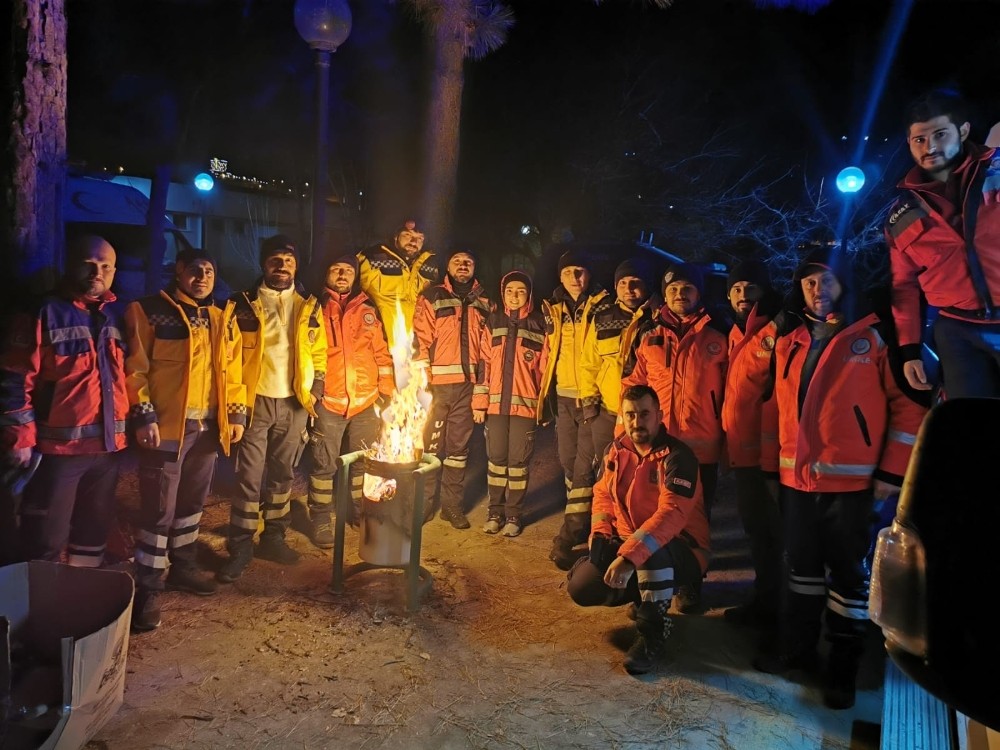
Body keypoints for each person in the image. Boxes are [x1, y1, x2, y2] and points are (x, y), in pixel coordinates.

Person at [754, 248, 927, 710]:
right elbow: (774, 409)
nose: (818, 289)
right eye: (809, 281)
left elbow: (909, 409)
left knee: (848, 580)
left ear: (844, 283)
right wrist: (772, 468)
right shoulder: (790, 337)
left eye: (826, 280)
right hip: (797, 484)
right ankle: (799, 652)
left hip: (853, 487)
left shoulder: (874, 335)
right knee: (802, 572)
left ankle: (842, 668)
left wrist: (890, 474)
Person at [123, 248, 246, 631]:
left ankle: (183, 566)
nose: (202, 276)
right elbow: (135, 369)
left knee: (192, 504)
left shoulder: (222, 316)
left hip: (208, 427)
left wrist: (235, 415)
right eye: (195, 269)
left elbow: (234, 369)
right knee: (158, 509)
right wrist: (144, 415)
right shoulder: (148, 311)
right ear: (178, 272)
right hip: (166, 429)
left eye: (209, 270)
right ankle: (148, 589)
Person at [0, 234, 129, 566]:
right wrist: (19, 438)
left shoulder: (117, 315)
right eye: (89, 264)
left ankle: (81, 591)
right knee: (45, 537)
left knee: (93, 534)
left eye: (105, 266)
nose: (97, 273)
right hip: (58, 453)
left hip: (107, 451)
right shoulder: (43, 311)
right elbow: (15, 377)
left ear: (114, 272)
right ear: (70, 265)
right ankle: (40, 596)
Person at [566, 385, 709, 676]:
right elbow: (602, 495)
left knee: (651, 550)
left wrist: (629, 556)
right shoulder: (616, 450)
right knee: (582, 586)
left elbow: (670, 516)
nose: (636, 421)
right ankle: (644, 599)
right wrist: (600, 535)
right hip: (632, 542)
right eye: (630, 414)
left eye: (644, 414)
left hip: (683, 548)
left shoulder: (678, 457)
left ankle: (652, 632)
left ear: (659, 416)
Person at [217, 235, 326, 583]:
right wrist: (235, 408)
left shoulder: (310, 305)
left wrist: (315, 391)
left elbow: (319, 352)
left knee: (283, 475)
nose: (282, 266)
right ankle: (240, 546)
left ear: (296, 266)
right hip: (255, 402)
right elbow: (229, 359)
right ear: (264, 264)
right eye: (275, 260)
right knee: (248, 477)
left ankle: (273, 538)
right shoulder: (241, 304)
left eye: (289, 261)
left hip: (294, 403)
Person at [621, 262, 727, 612]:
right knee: (652, 515)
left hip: (701, 447)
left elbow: (732, 392)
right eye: (673, 289)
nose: (680, 294)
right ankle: (649, 588)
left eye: (687, 288)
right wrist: (625, 434)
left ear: (699, 293)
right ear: (664, 295)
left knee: (694, 521)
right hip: (657, 447)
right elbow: (632, 387)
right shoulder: (649, 334)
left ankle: (689, 585)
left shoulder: (718, 334)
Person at [886, 88, 1000, 398]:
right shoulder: (903, 213)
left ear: (962, 131)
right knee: (968, 420)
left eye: (940, 134)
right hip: (956, 332)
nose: (930, 147)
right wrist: (910, 350)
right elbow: (903, 286)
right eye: (919, 139)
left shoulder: (997, 172)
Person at [306, 254, 393, 547]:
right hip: (328, 402)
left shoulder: (368, 308)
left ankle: (359, 512)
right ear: (326, 273)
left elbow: (381, 352)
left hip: (365, 402)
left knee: (362, 464)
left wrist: (387, 392)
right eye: (336, 269)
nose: (342, 275)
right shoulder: (314, 306)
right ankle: (321, 520)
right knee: (324, 466)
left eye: (348, 271)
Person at [719, 258, 784, 633]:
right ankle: (764, 601)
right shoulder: (736, 332)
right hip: (744, 454)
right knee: (757, 533)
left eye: (750, 288)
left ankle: (777, 612)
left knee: (775, 534)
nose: (743, 294)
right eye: (736, 289)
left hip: (770, 457)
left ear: (765, 291)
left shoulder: (777, 329)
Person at [541, 250, 612, 570]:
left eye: (580, 270)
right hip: (562, 395)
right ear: (560, 276)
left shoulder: (603, 306)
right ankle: (583, 519)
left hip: (591, 396)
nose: (575, 277)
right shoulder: (552, 308)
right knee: (568, 462)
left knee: (584, 467)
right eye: (568, 271)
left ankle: (571, 534)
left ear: (589, 274)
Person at [413, 249, 491, 529]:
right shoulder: (432, 296)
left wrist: (480, 389)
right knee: (430, 448)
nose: (463, 265)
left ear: (474, 267)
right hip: (436, 389)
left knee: (458, 452)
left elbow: (487, 351)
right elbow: (419, 340)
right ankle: (422, 505)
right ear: (448, 266)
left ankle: (451, 507)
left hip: (467, 389)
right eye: (457, 260)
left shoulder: (485, 302)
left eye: (468, 261)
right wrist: (424, 383)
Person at [472, 271, 548, 538]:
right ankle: (495, 512)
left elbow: (545, 370)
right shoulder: (494, 321)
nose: (515, 296)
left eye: (521, 291)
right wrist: (479, 402)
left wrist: (544, 408)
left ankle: (514, 515)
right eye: (509, 291)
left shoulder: (539, 324)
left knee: (518, 463)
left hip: (525, 408)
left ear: (529, 295)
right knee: (496, 461)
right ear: (503, 293)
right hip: (495, 408)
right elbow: (484, 364)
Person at [578, 258, 657, 464]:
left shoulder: (658, 319)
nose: (628, 289)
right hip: (608, 412)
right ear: (615, 286)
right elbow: (589, 364)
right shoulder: (602, 318)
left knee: (641, 470)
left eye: (635, 282)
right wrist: (591, 410)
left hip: (644, 415)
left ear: (647, 285)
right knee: (608, 468)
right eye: (622, 283)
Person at [357, 219, 439, 350]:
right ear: (396, 236)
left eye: (420, 238)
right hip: (380, 346)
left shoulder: (431, 266)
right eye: (407, 235)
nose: (414, 242)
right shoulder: (372, 258)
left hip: (416, 349)